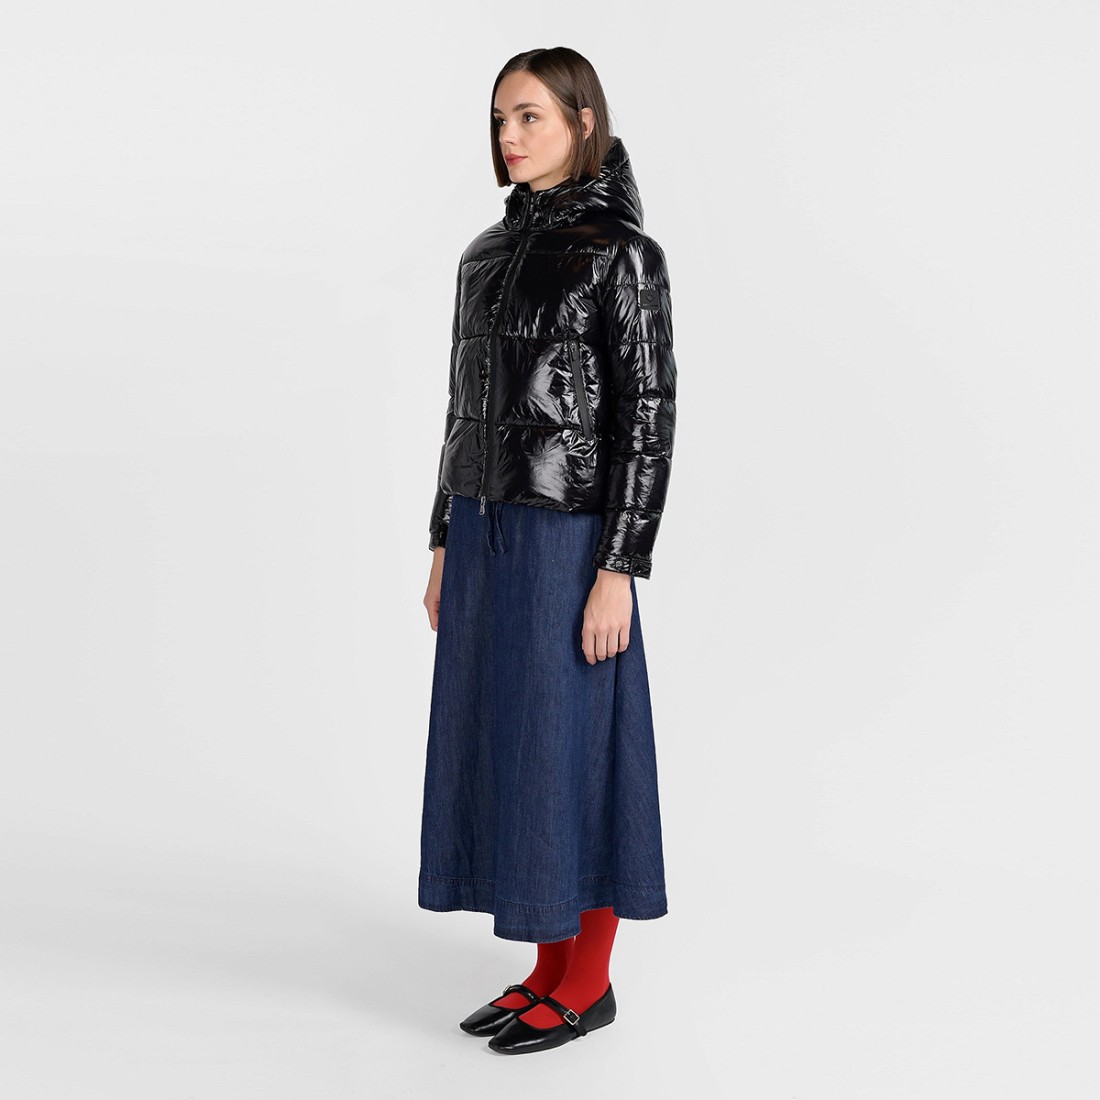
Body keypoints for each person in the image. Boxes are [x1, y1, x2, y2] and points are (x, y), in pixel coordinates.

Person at [418, 46, 678, 1056]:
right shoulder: (484, 254)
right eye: (499, 119)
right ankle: (543, 966)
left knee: (576, 750)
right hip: (485, 529)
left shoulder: (622, 255)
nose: (509, 136)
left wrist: (619, 567)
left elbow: (648, 421)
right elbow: (463, 407)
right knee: (514, 748)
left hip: (569, 538)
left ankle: (588, 982)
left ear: (581, 120)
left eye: (529, 115)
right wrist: (444, 537)